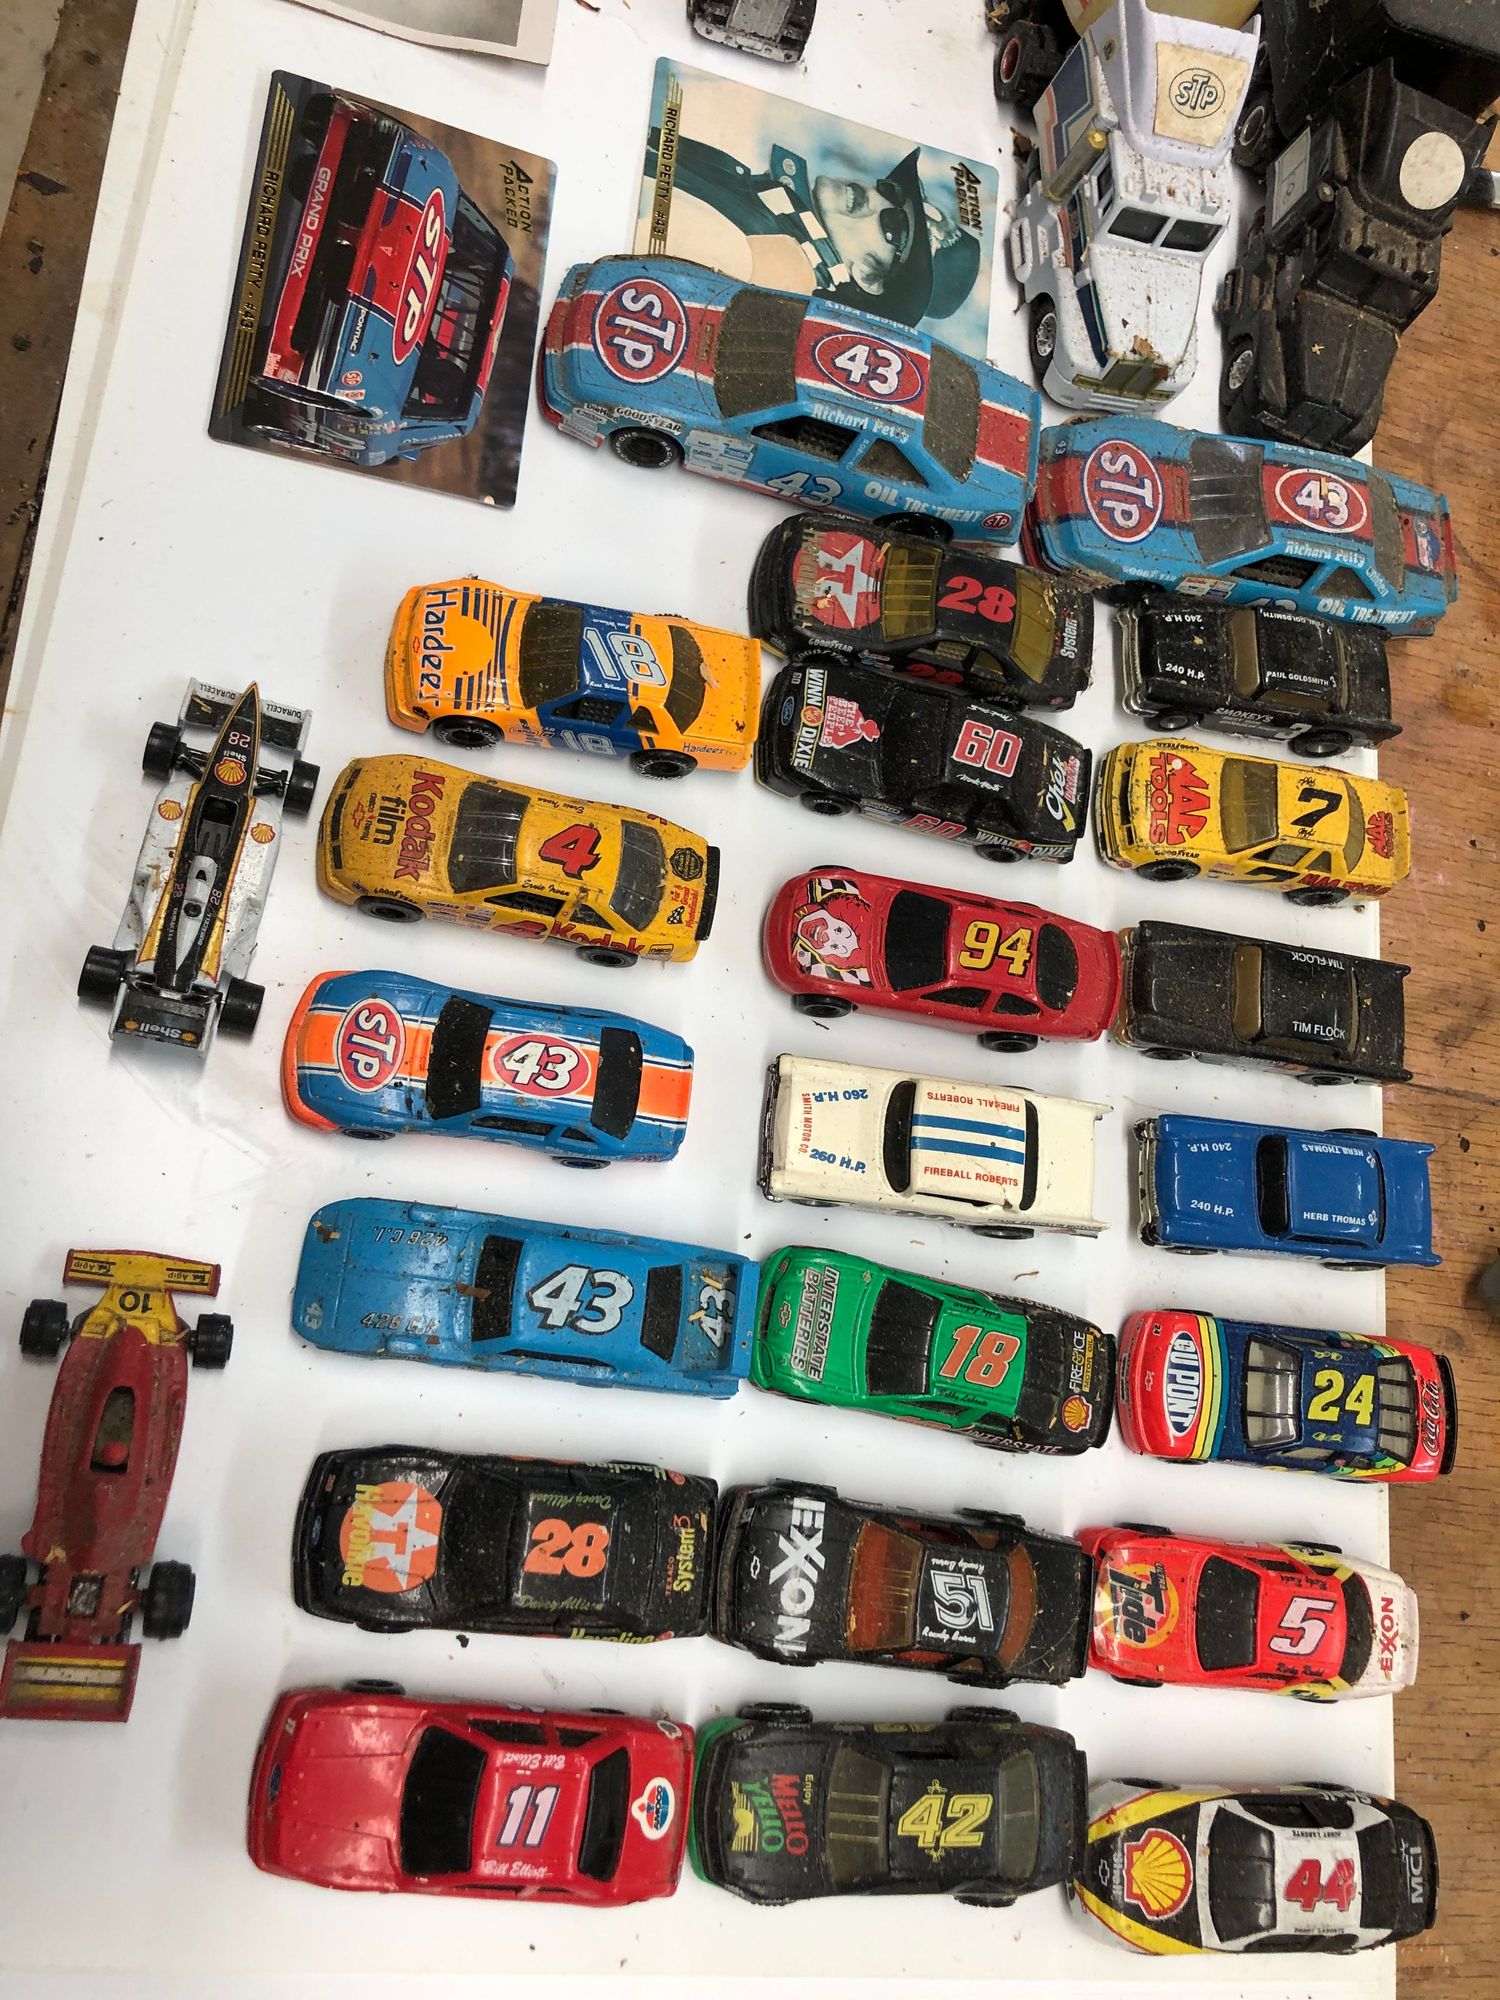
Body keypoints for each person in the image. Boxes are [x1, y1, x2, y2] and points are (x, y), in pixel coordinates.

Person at [644, 119, 980, 329]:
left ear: (866, 275)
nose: (875, 198)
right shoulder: (775, 211)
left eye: (895, 225)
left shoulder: (770, 261)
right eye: (891, 192)